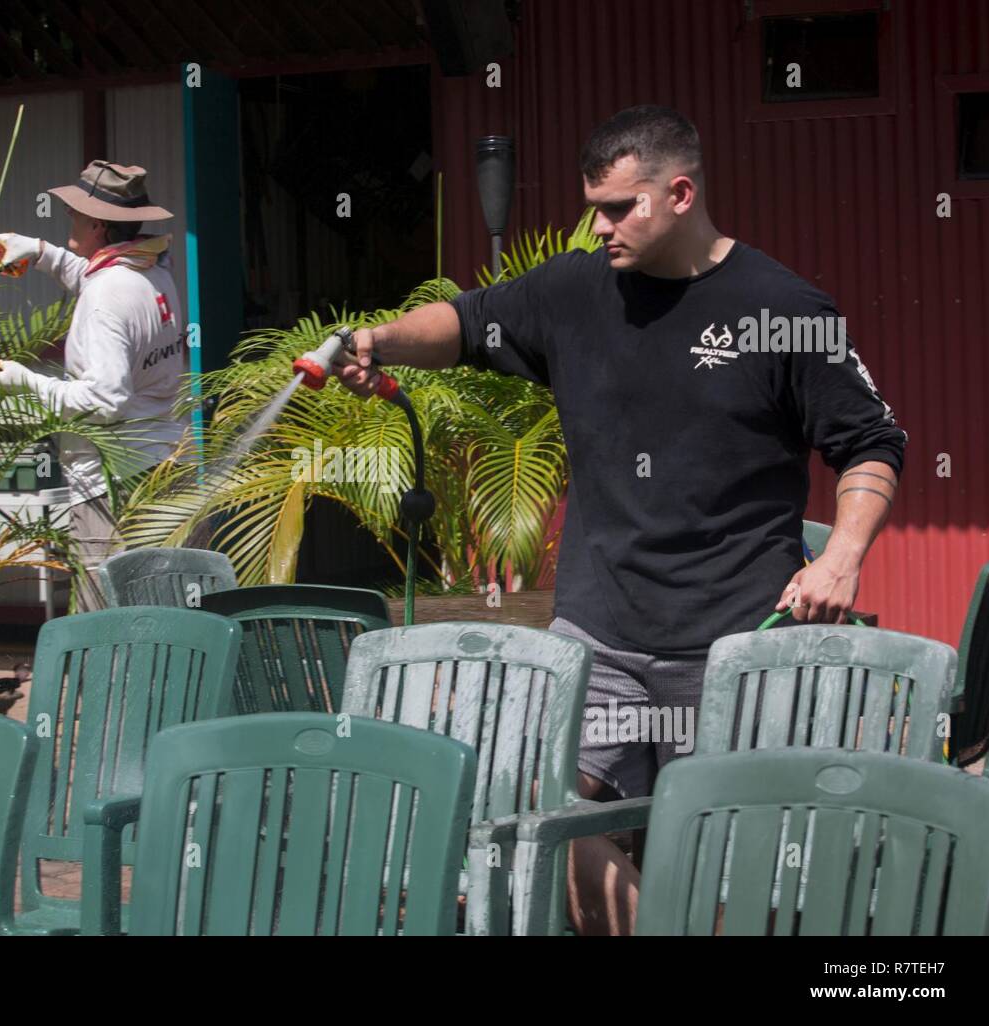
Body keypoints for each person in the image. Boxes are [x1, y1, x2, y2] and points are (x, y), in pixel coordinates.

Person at [332, 105, 907, 934]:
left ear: (678, 193)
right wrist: (375, 343)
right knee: (538, 819)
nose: (597, 226)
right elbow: (463, 321)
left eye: (616, 207)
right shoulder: (572, 291)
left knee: (718, 868)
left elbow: (872, 442)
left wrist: (844, 554)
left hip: (731, 644)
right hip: (597, 637)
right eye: (591, 206)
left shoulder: (783, 308)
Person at [0, 161, 188, 611]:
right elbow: (97, 279)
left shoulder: (105, 295)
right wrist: (38, 252)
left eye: (74, 213)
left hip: (109, 482)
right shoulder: (153, 271)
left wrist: (28, 383)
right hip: (161, 461)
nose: (68, 219)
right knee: (158, 608)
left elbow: (105, 399)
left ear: (96, 224)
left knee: (104, 616)